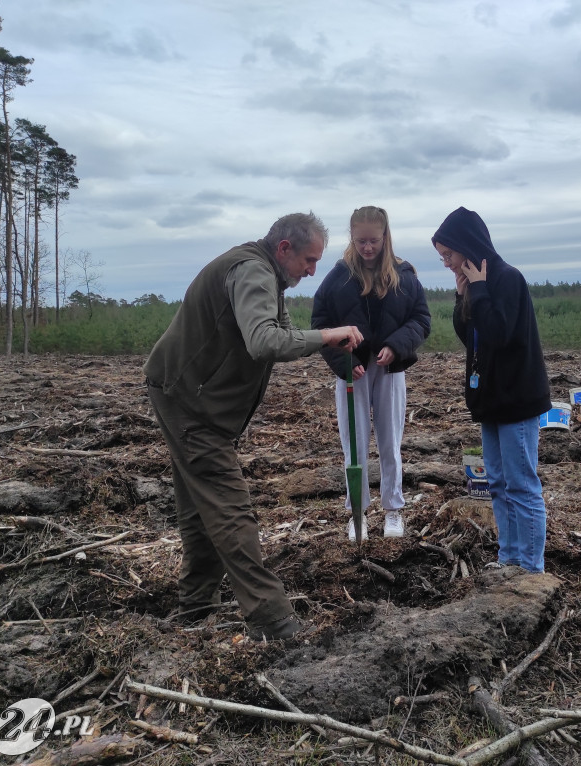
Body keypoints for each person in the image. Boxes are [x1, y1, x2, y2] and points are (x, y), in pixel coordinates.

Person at [144, 213, 363, 641]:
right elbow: (264, 341)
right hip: (189, 402)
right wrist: (325, 335)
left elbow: (280, 333)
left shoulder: (266, 275)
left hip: (190, 398)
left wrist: (322, 339)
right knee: (229, 507)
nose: (312, 271)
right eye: (309, 260)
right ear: (284, 249)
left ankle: (195, 605)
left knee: (198, 505)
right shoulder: (252, 271)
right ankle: (273, 619)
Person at [432, 207, 551, 573]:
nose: (448, 263)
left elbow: (499, 334)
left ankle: (531, 569)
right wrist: (462, 297)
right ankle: (508, 557)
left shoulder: (507, 279)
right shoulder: (476, 285)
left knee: (521, 486)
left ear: (466, 246)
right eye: (443, 258)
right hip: (491, 402)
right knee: (497, 484)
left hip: (516, 401)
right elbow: (471, 338)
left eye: (449, 255)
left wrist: (479, 290)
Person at [312, 206, 431, 540]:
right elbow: (321, 326)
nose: (367, 247)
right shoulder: (338, 277)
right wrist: (345, 362)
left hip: (389, 368)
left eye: (374, 241)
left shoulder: (404, 274)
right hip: (353, 371)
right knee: (355, 443)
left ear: (385, 236)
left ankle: (393, 510)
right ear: (351, 237)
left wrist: (396, 346)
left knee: (391, 442)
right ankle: (357, 515)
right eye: (361, 240)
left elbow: (421, 320)